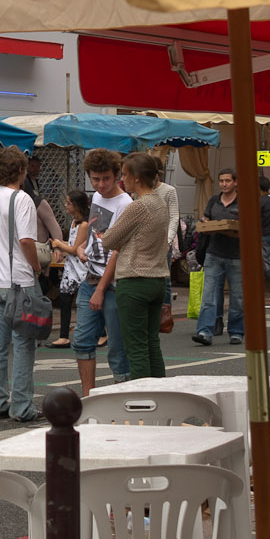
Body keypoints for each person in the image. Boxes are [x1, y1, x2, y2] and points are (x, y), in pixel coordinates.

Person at [0, 146, 44, 421]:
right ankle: (22, 407)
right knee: (24, 345)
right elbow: (26, 240)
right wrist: (36, 266)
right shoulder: (22, 199)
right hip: (20, 282)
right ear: (21, 171)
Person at [91, 153, 170, 380]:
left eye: (124, 174)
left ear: (136, 178)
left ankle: (142, 402)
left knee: (135, 348)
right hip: (157, 279)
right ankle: (161, 395)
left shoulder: (137, 207)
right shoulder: (160, 202)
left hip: (134, 280)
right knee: (151, 344)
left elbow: (108, 240)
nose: (122, 179)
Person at [74, 149, 132, 387]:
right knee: (82, 341)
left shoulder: (125, 203)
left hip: (114, 284)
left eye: (106, 178)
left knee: (118, 349)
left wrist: (101, 289)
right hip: (91, 277)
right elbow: (95, 231)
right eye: (95, 179)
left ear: (117, 175)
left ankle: (124, 399)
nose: (100, 184)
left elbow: (118, 250)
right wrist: (81, 248)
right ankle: (89, 399)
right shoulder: (96, 197)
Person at [194, 169, 247, 346]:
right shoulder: (213, 201)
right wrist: (205, 223)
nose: (224, 184)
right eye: (221, 181)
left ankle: (236, 331)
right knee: (208, 295)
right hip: (213, 253)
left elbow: (249, 226)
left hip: (236, 255)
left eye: (228, 181)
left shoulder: (243, 201)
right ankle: (204, 331)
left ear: (236, 182)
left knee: (237, 297)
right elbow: (205, 218)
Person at [21, 154, 67, 346]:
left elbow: (55, 228)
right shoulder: (12, 203)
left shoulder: (39, 203)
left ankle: (35, 332)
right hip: (20, 258)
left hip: (37, 254)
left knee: (35, 294)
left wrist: (58, 247)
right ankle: (27, 332)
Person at [49, 190, 92, 355]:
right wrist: (61, 245)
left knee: (85, 303)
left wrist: (60, 244)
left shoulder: (84, 225)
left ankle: (100, 333)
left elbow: (75, 249)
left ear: (77, 205)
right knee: (65, 300)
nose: (66, 206)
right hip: (70, 269)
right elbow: (73, 244)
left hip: (80, 270)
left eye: (68, 203)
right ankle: (64, 336)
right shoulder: (75, 222)